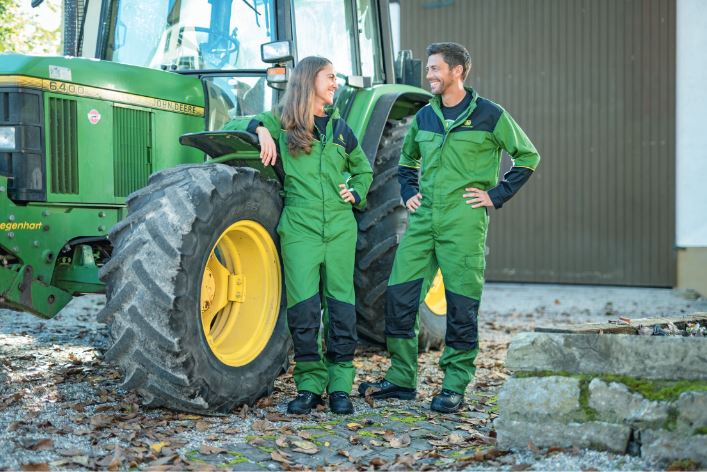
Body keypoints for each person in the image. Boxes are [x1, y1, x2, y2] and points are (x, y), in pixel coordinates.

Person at [358, 42, 540, 413]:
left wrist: (496, 194)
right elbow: (407, 161)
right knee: (400, 297)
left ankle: (454, 384)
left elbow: (528, 156)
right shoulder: (425, 116)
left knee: (460, 306)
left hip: (463, 222)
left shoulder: (490, 115)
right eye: (429, 69)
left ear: (457, 71)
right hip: (424, 221)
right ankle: (401, 379)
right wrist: (408, 191)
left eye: (435, 69)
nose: (429, 75)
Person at [224, 56, 373, 415]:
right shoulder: (284, 123)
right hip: (300, 227)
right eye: (329, 77)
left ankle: (340, 386)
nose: (335, 83)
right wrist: (260, 131)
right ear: (309, 81)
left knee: (341, 311)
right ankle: (309, 386)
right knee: (304, 312)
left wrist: (356, 191)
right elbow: (234, 122)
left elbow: (364, 170)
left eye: (335, 77)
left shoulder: (342, 130)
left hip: (339, 227)